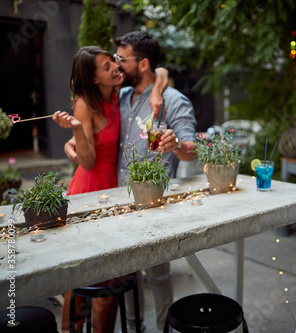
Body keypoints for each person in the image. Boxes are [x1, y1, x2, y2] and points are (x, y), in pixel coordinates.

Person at [63, 31, 197, 333]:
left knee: (159, 275)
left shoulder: (174, 102)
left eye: (121, 60)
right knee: (124, 276)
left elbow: (193, 151)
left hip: (153, 203)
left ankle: (162, 328)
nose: (117, 65)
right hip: (115, 200)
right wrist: (69, 145)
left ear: (144, 63)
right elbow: (92, 132)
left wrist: (176, 145)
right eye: (113, 61)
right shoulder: (119, 95)